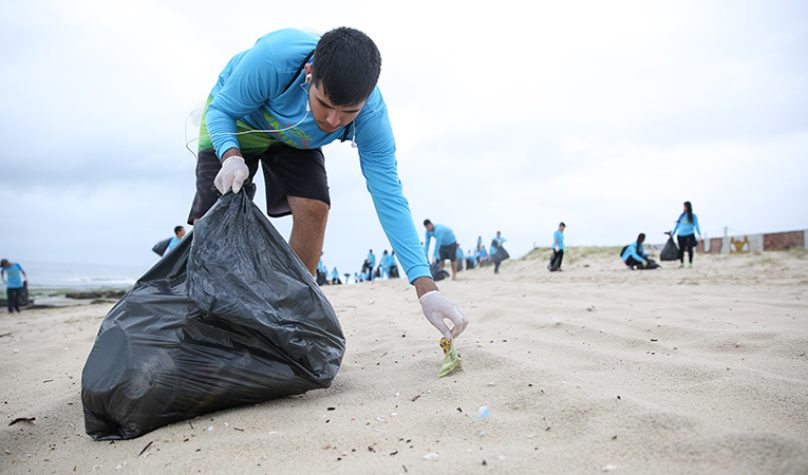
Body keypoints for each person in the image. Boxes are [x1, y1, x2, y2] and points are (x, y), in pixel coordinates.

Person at [186, 27, 467, 340]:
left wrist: (425, 288)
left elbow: (389, 196)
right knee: (212, 220)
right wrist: (231, 157)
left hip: (296, 138)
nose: (334, 121)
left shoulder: (371, 116)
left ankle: (292, 315)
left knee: (314, 208)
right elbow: (222, 110)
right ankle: (210, 322)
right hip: (237, 122)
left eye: (348, 112)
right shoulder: (272, 60)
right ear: (309, 74)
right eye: (325, 104)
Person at [672, 201, 702, 268]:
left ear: (688, 207)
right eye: (683, 206)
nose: (684, 208)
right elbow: (677, 225)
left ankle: (690, 263)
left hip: (690, 234)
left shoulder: (693, 216)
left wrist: (699, 234)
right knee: (681, 250)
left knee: (690, 249)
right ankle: (682, 263)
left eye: (685, 206)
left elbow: (697, 225)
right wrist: (673, 233)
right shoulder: (681, 216)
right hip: (680, 235)